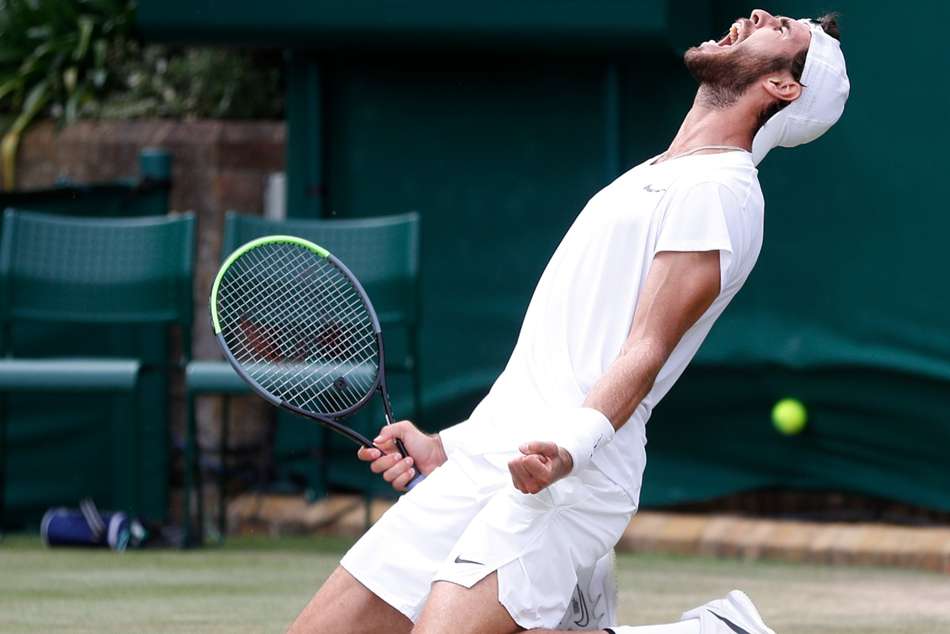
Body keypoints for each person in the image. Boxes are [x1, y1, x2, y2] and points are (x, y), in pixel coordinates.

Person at [288, 9, 849, 634]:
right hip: (496, 450)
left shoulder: (720, 191)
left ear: (782, 86)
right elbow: (561, 353)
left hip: (573, 474)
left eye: (782, 29)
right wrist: (447, 446)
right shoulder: (655, 174)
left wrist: (569, 451)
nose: (758, 14)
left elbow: (647, 348)